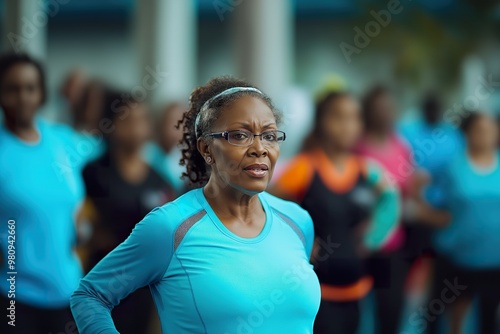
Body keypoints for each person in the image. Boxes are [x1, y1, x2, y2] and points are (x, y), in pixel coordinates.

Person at [70, 76, 321, 333]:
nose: (260, 148)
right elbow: (90, 296)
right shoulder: (171, 227)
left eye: (269, 135)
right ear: (206, 148)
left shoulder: (297, 221)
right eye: (239, 135)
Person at [271, 91, 400, 334]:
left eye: (353, 117)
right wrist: (298, 244)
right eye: (338, 117)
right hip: (316, 294)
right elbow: (264, 206)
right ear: (321, 122)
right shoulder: (304, 168)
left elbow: (391, 198)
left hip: (356, 289)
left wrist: (374, 236)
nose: (347, 125)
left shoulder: (365, 170)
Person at [0, 53, 84, 333]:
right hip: (13, 294)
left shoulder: (62, 140)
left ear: (42, 93)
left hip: (68, 290)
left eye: (30, 88)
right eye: (12, 89)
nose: (22, 97)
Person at [80, 90, 175, 333]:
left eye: (142, 119)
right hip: (103, 280)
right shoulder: (92, 174)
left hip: (145, 288)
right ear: (111, 124)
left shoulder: (160, 180)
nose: (136, 127)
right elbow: (79, 225)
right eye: (128, 120)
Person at [427, 112, 500, 334]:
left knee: (489, 319)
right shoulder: (452, 167)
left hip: (494, 261)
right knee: (453, 318)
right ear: (467, 133)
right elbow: (431, 201)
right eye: (479, 130)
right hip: (458, 258)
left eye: (490, 129)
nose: (484, 135)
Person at [354, 85, 412, 334]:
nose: (384, 113)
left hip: (392, 245)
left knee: (391, 312)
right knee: (354, 314)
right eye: (378, 108)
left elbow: (405, 192)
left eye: (388, 108)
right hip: (359, 245)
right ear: (368, 112)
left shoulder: (401, 147)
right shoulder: (357, 147)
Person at [143, 102, 188, 195]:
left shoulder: (188, 159)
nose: (179, 128)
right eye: (173, 122)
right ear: (161, 125)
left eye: (183, 123)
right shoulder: (148, 154)